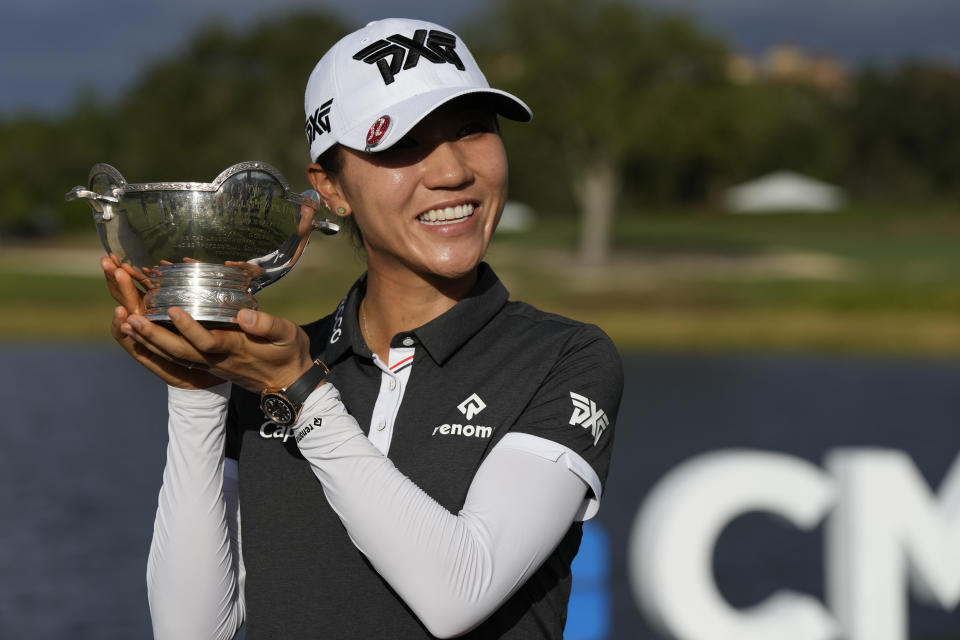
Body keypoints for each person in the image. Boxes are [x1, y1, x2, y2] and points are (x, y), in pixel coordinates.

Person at [101, 18, 623, 640]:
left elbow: (459, 591)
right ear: (330, 188)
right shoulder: (268, 366)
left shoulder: (563, 358)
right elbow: (191, 631)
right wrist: (197, 394)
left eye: (472, 130)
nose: (452, 171)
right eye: (401, 144)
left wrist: (304, 398)